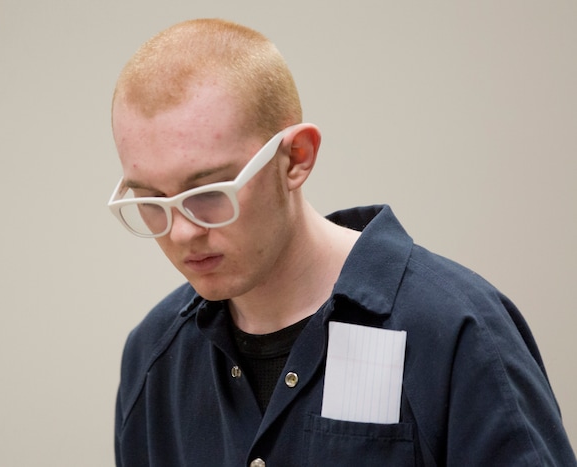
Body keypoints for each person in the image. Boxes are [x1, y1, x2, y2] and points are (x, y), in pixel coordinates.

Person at [109, 18, 576, 466]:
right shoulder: (154, 356)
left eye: (210, 193)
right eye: (151, 200)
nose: (181, 231)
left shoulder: (453, 329)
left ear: (296, 158)